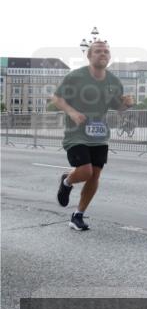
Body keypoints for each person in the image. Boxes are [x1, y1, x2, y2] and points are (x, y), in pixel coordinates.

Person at [52, 40, 134, 231]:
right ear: (89, 56)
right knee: (86, 171)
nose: (102, 53)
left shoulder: (114, 81)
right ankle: (67, 181)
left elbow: (117, 107)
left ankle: (78, 215)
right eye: (98, 51)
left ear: (109, 56)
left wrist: (127, 104)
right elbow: (57, 98)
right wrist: (72, 112)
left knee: (95, 175)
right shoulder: (76, 77)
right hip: (76, 134)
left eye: (106, 51)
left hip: (100, 134)